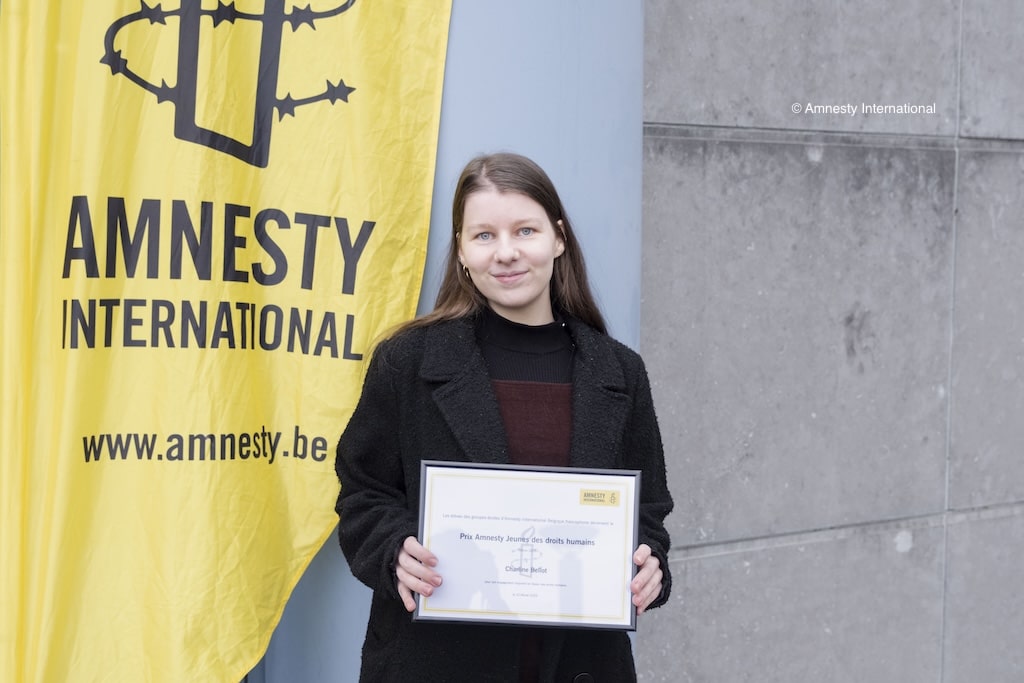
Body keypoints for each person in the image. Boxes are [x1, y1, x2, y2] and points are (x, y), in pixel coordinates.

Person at [335, 152, 673, 682]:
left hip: (579, 663)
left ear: (558, 239)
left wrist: (649, 563)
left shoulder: (620, 372)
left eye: (525, 230)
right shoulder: (407, 362)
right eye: (484, 236)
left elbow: (647, 507)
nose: (507, 253)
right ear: (463, 252)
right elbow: (363, 491)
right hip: (435, 659)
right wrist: (393, 548)